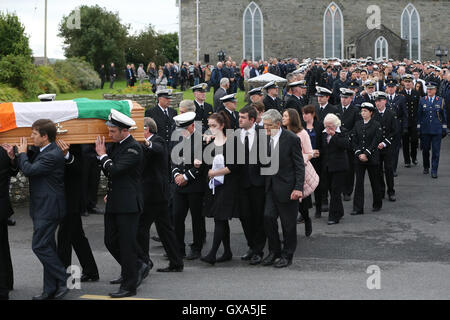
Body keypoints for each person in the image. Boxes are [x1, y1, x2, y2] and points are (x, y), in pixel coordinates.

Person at [95, 110, 147, 298]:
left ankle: (129, 285)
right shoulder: (117, 145)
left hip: (128, 205)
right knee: (110, 241)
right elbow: (108, 170)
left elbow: (115, 170)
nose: (109, 134)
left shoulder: (133, 148)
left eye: (113, 131)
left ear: (125, 131)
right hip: (115, 201)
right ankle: (134, 267)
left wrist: (102, 155)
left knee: (126, 245)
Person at [15, 119, 69, 300]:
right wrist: (16, 155)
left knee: (38, 246)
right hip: (44, 207)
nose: (31, 137)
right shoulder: (44, 151)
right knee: (48, 247)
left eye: (34, 134)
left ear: (45, 136)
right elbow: (29, 163)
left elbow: (29, 170)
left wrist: (21, 154)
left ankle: (63, 277)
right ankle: (49, 289)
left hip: (49, 208)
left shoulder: (52, 154)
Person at [138, 117, 184, 272]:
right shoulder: (143, 144)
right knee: (165, 230)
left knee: (141, 228)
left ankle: (144, 262)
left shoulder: (157, 141)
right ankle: (176, 262)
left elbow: (156, 148)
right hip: (156, 195)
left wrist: (146, 143)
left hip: (154, 195)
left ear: (146, 129)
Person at [261, 109, 305, 268]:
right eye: (264, 125)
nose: (265, 129)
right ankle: (274, 251)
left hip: (288, 188)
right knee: (268, 218)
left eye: (268, 126)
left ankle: (287, 255)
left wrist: (298, 188)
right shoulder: (264, 138)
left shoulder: (291, 139)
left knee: (288, 224)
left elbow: (299, 165)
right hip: (271, 187)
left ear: (278, 124)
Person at [55, 141, 99, 282]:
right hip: (63, 197)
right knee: (76, 236)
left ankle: (63, 275)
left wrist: (66, 155)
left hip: (71, 198)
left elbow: (80, 168)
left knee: (64, 237)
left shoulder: (75, 146)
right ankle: (91, 270)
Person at [201, 111, 240, 265]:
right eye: (209, 126)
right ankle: (227, 251)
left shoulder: (232, 142)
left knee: (220, 219)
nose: (211, 129)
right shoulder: (210, 143)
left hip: (228, 186)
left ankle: (212, 254)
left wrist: (214, 172)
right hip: (214, 186)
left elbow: (234, 166)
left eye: (214, 126)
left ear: (222, 126)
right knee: (221, 220)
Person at [172, 112, 206, 260]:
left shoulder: (202, 140)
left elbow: (201, 163)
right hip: (180, 185)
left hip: (195, 185)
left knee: (197, 218)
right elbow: (173, 159)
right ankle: (178, 248)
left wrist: (186, 177)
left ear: (192, 126)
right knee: (177, 217)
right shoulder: (178, 137)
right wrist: (176, 175)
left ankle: (197, 247)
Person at [237, 106, 267, 265]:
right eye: (239, 117)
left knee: (258, 217)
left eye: (243, 117)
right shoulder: (236, 134)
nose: (240, 119)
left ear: (252, 120)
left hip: (258, 184)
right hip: (241, 183)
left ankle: (258, 250)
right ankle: (251, 245)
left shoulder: (262, 133)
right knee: (244, 216)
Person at [282, 108, 313, 235]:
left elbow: (309, 152)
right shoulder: (281, 132)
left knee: (302, 204)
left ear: (292, 118)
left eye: (285, 116)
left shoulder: (302, 133)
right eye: (282, 116)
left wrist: (300, 160)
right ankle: (289, 233)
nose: (283, 118)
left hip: (299, 171)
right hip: (285, 172)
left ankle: (306, 219)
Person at [351, 103, 383, 215]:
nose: (363, 113)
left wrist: (367, 153)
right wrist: (359, 153)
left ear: (371, 113)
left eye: (365, 111)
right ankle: (358, 208)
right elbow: (354, 139)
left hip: (372, 157)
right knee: (359, 183)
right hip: (359, 158)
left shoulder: (376, 124)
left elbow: (376, 140)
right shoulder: (357, 124)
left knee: (375, 181)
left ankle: (377, 203)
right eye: (362, 111)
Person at [320, 114, 350, 225]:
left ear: (335, 125)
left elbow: (346, 145)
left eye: (329, 126)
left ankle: (333, 216)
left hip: (339, 166)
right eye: (326, 126)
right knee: (330, 190)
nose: (327, 129)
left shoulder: (343, 131)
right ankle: (340, 211)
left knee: (336, 191)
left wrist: (334, 136)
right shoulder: (323, 133)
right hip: (327, 166)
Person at [417, 82, 448, 178]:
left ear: (435, 90)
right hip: (425, 130)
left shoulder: (440, 100)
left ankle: (434, 170)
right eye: (428, 89)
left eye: (431, 89)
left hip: (436, 130)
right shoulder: (422, 100)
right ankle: (426, 166)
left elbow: (444, 116)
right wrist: (418, 128)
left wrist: (444, 128)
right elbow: (419, 115)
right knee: (425, 150)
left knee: (436, 151)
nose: (429, 91)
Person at [0, 144, 18, 300]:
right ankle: (7, 282)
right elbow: (13, 170)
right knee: (3, 247)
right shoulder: (4, 150)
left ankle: (3, 289)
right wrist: (12, 159)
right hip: (2, 207)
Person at [373, 91, 398, 202]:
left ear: (385, 101)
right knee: (378, 171)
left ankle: (391, 191)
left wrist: (385, 143)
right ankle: (381, 190)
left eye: (380, 101)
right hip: (377, 147)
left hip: (387, 146)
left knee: (388, 169)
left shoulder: (391, 113)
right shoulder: (373, 114)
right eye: (376, 101)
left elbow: (395, 131)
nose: (378, 103)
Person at [338, 88, 361, 201]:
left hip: (350, 142)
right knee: (339, 167)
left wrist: (348, 135)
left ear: (351, 99)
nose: (343, 100)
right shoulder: (336, 109)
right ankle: (340, 189)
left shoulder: (355, 110)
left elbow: (357, 126)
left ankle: (348, 191)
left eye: (346, 98)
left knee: (349, 168)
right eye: (342, 97)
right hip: (338, 142)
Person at [302, 105, 323, 219]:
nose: (304, 116)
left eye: (307, 113)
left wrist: (319, 151)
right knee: (304, 185)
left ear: (313, 114)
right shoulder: (301, 127)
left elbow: (323, 142)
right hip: (305, 159)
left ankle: (319, 208)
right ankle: (304, 212)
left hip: (317, 159)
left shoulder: (319, 126)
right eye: (303, 114)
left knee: (317, 184)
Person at [385, 79, 408, 176]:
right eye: (389, 87)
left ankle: (393, 168)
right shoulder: (383, 98)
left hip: (397, 125)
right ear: (386, 88)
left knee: (395, 149)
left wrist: (405, 127)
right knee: (385, 148)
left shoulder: (401, 98)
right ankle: (385, 167)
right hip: (385, 126)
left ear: (396, 88)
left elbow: (405, 114)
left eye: (392, 87)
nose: (390, 89)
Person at [400, 74, 421, 167]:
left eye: (409, 82)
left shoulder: (416, 93)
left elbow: (418, 108)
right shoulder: (400, 93)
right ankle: (407, 160)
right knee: (405, 142)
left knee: (414, 141)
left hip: (414, 121)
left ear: (412, 83)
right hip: (404, 122)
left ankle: (414, 156)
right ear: (403, 83)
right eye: (406, 82)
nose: (408, 83)